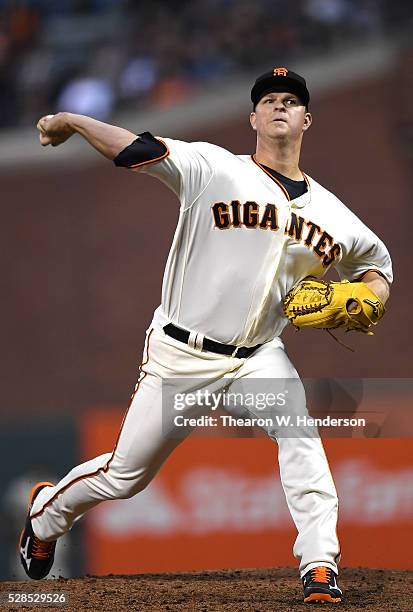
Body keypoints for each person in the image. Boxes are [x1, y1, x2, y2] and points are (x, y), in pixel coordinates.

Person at [19, 67, 392, 604]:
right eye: (269, 100)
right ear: (253, 117)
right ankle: (46, 513)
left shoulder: (336, 217)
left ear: (307, 118)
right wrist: (74, 121)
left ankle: (319, 565)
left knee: (300, 438)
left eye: (290, 100)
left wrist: (365, 296)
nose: (279, 106)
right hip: (180, 355)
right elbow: (134, 149)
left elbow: (380, 266)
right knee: (127, 476)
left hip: (258, 360)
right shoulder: (213, 168)